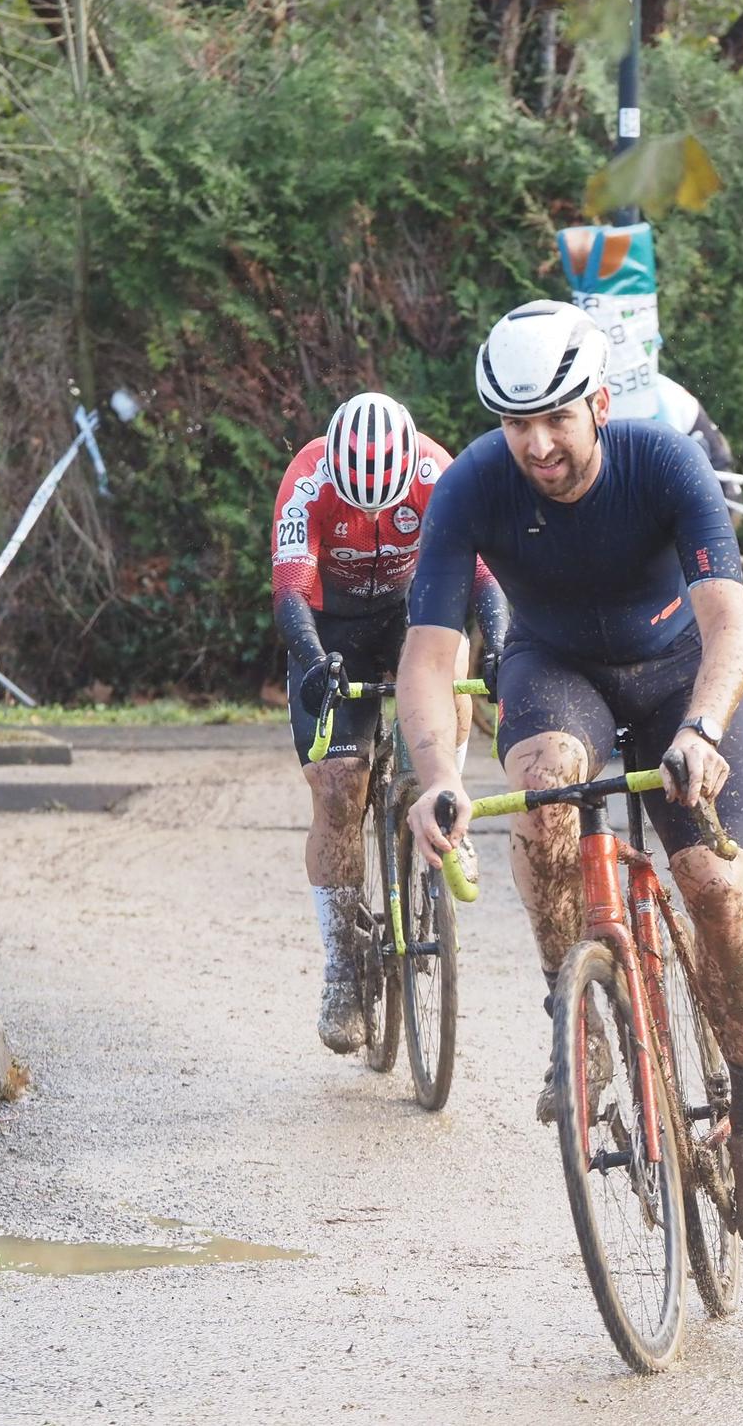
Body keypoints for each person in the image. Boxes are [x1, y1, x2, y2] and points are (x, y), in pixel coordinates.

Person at [396, 300, 743, 1244]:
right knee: (540, 791)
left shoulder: (666, 461)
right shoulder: (472, 485)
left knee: (712, 884)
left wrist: (702, 728)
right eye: (515, 424)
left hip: (676, 675)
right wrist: (436, 775)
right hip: (556, 667)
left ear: (600, 404)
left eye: (555, 420)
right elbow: (427, 656)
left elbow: (729, 626)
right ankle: (573, 1011)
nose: (536, 445)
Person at [273, 391, 508, 1054]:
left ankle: (445, 797)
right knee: (339, 784)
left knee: (450, 666)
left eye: (384, 501)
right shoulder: (309, 479)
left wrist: (500, 639)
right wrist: (315, 663)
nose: (372, 513)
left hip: (413, 612)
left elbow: (485, 579)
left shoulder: (438, 473)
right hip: (334, 626)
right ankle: (343, 965)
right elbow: (290, 594)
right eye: (360, 502)